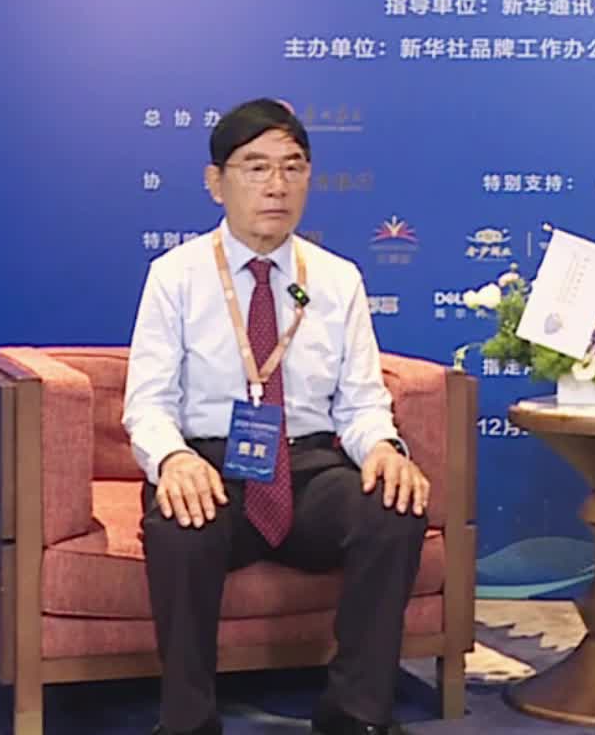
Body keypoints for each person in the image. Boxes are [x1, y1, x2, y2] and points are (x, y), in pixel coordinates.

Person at [123, 97, 431, 735]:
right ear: (216, 182)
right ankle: (187, 719)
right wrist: (172, 458)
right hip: (212, 467)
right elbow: (148, 403)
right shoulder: (176, 277)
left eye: (293, 167)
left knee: (392, 508)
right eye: (256, 167)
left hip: (310, 468)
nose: (277, 185)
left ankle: (356, 710)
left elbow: (361, 401)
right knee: (180, 527)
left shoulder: (337, 279)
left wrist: (382, 447)